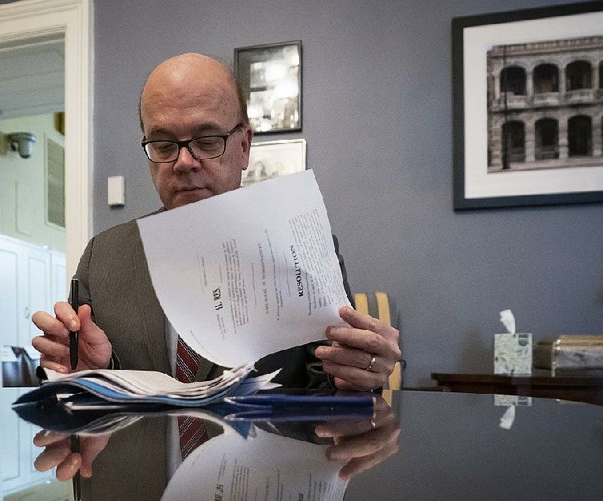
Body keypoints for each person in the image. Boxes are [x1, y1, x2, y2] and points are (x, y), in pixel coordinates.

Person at [31, 52, 401, 474]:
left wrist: (361, 375)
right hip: (147, 497)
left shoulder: (304, 246)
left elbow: (330, 391)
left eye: (207, 140)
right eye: (164, 144)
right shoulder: (104, 257)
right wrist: (91, 375)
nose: (184, 162)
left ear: (244, 146)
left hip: (264, 490)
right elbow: (92, 408)